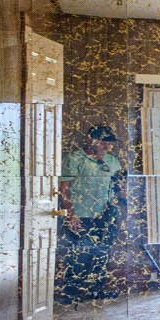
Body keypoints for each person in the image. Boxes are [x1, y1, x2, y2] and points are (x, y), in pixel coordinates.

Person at [57, 124, 125, 303]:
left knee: (102, 252)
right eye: (103, 143)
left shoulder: (112, 162)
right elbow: (64, 188)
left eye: (110, 144)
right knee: (80, 253)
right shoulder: (74, 159)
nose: (108, 148)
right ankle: (72, 293)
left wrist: (120, 207)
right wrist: (70, 214)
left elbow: (119, 186)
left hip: (105, 214)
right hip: (81, 215)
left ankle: (96, 290)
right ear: (91, 140)